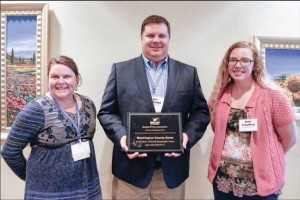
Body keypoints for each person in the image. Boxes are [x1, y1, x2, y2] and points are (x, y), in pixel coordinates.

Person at [98, 15, 210, 199]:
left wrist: (186, 136)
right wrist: (122, 137)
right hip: (130, 171)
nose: (156, 40)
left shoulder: (188, 73)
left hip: (171, 173)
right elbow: (107, 112)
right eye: (150, 35)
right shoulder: (120, 70)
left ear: (169, 38)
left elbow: (201, 113)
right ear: (141, 38)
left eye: (162, 35)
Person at [1, 55, 102, 200]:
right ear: (48, 79)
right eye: (55, 76)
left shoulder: (88, 104)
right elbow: (9, 152)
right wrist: (33, 177)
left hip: (88, 190)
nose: (61, 82)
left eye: (67, 76)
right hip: (48, 194)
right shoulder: (35, 110)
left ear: (77, 79)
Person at [207, 41, 298, 200]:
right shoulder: (219, 95)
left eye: (245, 60)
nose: (238, 65)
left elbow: (290, 139)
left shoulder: (274, 97)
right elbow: (219, 131)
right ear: (227, 63)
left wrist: (267, 157)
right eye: (233, 60)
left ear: (255, 65)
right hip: (224, 182)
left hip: (259, 186)